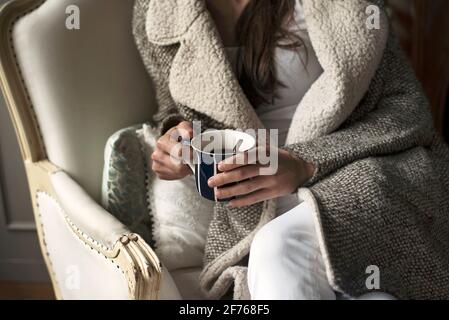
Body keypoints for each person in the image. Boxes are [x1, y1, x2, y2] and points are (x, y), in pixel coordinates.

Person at [133, 0, 449, 299]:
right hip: (253, 205)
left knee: (279, 247)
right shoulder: (160, 10)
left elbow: (408, 109)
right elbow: (174, 113)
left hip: (360, 178)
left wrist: (304, 163)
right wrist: (176, 144)